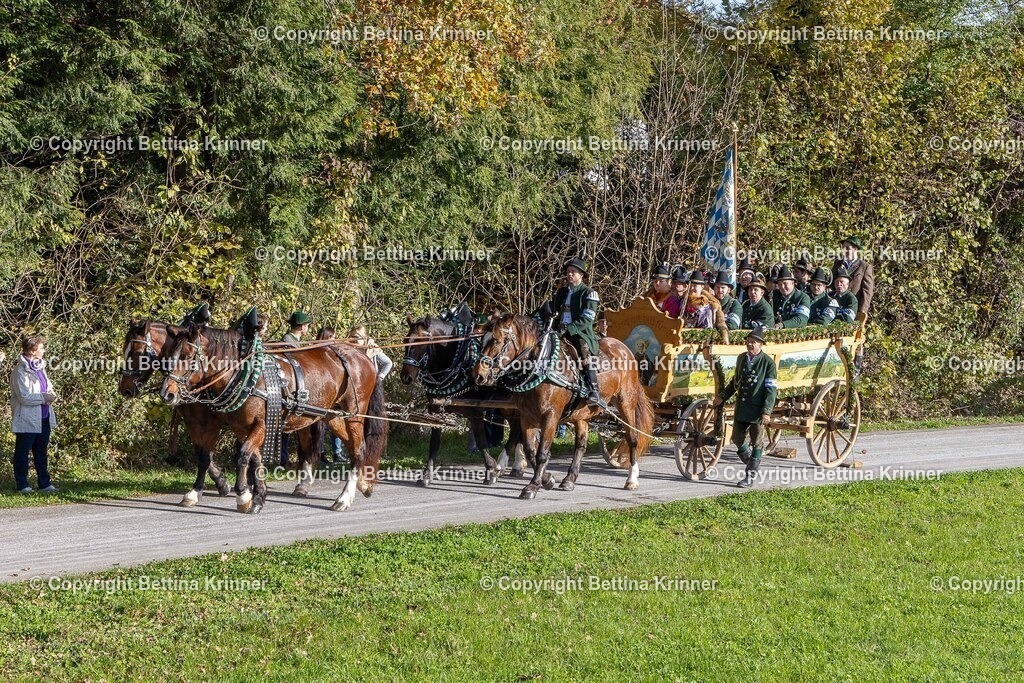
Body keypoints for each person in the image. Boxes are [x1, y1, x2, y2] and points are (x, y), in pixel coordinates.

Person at [713, 326, 778, 488]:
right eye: (748, 342)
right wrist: (722, 396)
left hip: (757, 410)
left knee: (757, 442)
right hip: (742, 407)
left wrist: (766, 411)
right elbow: (736, 381)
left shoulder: (768, 363)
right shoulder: (742, 358)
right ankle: (752, 462)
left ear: (761, 345)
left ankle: (749, 476)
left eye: (753, 342)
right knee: (736, 438)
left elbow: (771, 389)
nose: (750, 345)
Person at [547, 258, 602, 405]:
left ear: (581, 275)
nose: (570, 274)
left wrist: (569, 329)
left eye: (573, 272)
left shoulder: (589, 293)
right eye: (568, 272)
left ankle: (594, 390)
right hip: (558, 329)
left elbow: (587, 319)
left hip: (580, 332)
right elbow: (552, 309)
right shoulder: (562, 292)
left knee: (583, 351)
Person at [11, 336, 58, 493]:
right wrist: (44, 397)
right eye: (41, 348)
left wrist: (51, 394)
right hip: (27, 417)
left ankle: (44, 483)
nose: (43, 350)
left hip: (43, 416)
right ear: (32, 350)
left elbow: (47, 386)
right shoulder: (20, 371)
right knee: (23, 452)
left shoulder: (40, 367)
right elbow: (24, 397)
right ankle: (22, 484)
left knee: (41, 451)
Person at [279, 311, 312, 467]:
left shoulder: (295, 341)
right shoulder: (288, 341)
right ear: (302, 326)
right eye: (306, 325)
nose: (307, 328)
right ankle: (283, 459)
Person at [832, 235, 874, 315]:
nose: (845, 250)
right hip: (836, 305)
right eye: (843, 247)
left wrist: (862, 310)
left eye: (848, 248)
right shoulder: (837, 263)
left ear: (855, 249)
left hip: (853, 306)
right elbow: (831, 284)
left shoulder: (864, 266)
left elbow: (867, 290)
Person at [683, 270, 729, 342]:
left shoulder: (707, 307)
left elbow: (708, 331)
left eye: (695, 286)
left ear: (701, 287)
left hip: (698, 342)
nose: (692, 288)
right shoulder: (683, 302)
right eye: (691, 286)